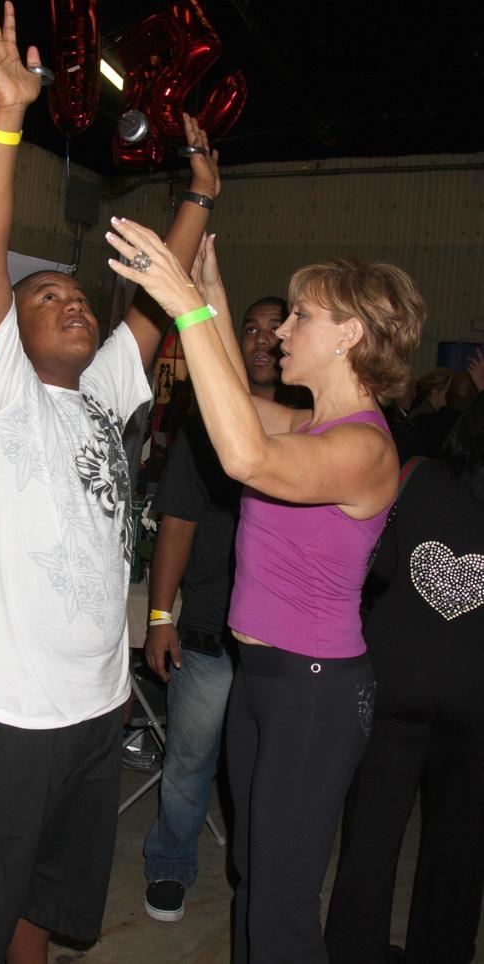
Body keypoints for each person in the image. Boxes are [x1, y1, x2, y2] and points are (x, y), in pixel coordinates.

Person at [0, 0, 219, 964]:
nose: (72, 305)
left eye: (79, 296)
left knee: (44, 900)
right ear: (13, 329)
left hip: (90, 709)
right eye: (51, 299)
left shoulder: (99, 393)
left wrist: (200, 194)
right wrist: (5, 119)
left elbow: (156, 308)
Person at [107, 224, 425, 962]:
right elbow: (237, 419)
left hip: (313, 693)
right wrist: (210, 294)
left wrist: (187, 306)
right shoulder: (314, 422)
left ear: (349, 334)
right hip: (263, 681)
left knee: (281, 904)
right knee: (256, 874)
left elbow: (245, 456)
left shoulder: (363, 445)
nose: (281, 329)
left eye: (301, 316)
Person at [325, 392, 484, 964]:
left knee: (372, 828)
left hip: (398, 675)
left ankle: (352, 948)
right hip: (477, 693)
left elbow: (382, 567)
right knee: (460, 844)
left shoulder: (417, 476)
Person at [143, 295, 287, 923]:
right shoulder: (206, 426)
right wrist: (159, 617)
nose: (259, 341)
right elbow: (176, 522)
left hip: (285, 639)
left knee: (270, 774)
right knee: (189, 761)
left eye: (272, 331)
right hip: (208, 629)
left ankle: (261, 882)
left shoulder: (312, 424)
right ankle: (171, 866)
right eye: (247, 329)